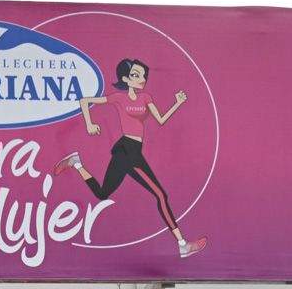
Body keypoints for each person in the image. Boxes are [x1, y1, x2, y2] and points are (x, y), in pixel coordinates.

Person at [54, 59, 207, 258]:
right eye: (135, 75)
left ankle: (77, 163)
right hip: (127, 150)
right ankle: (182, 244)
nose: (141, 79)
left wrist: (177, 103)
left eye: (143, 75)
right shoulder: (119, 98)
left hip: (131, 151)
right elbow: (85, 101)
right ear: (126, 79)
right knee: (160, 195)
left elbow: (160, 119)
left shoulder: (146, 97)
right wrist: (89, 124)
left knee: (102, 193)